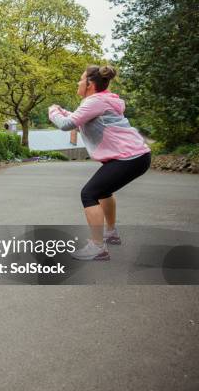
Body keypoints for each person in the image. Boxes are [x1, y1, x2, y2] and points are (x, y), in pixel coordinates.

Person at [48, 65, 151, 261]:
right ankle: (110, 233)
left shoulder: (95, 101)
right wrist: (66, 112)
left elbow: (66, 125)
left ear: (90, 84)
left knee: (89, 194)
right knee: (102, 191)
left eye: (81, 79)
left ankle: (97, 247)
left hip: (129, 157)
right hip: (137, 156)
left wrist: (53, 112)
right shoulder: (102, 101)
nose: (78, 83)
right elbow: (82, 119)